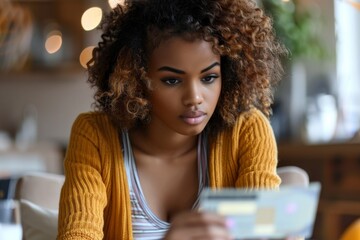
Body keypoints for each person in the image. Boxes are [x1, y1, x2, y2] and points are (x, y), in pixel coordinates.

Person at [57, 0, 287, 239]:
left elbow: (261, 232)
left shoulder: (246, 131)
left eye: (208, 78)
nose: (194, 98)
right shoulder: (94, 136)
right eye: (172, 80)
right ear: (136, 79)